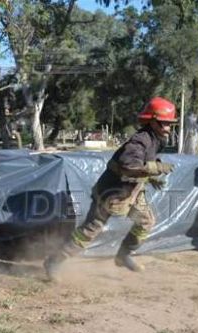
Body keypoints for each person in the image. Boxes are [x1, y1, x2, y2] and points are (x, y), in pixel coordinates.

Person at [44, 97, 177, 281]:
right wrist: (156, 168)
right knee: (90, 230)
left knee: (146, 221)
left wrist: (150, 177)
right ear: (152, 121)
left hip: (131, 191)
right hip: (111, 192)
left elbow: (141, 164)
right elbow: (128, 164)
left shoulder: (157, 139)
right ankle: (54, 261)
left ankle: (123, 255)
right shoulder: (140, 140)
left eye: (170, 123)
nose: (168, 127)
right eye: (165, 123)